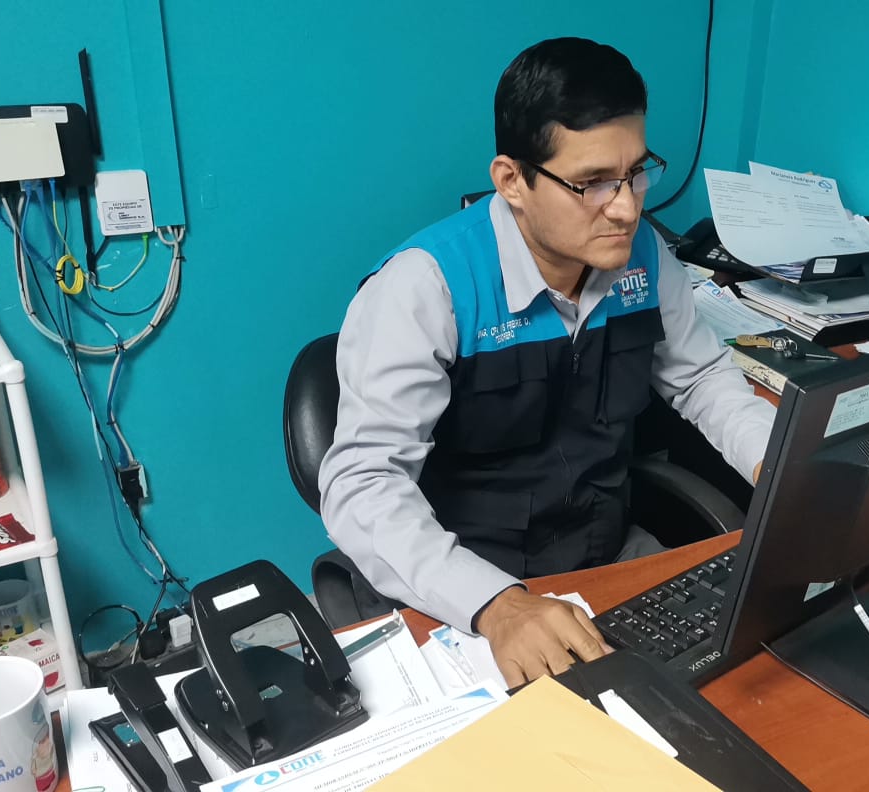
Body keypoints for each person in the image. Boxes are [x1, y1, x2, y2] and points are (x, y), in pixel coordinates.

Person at [319, 37, 775, 687]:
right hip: (468, 589)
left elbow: (702, 377)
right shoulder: (427, 287)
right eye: (592, 183)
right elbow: (363, 482)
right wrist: (496, 605)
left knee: (739, 681)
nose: (627, 207)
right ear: (512, 181)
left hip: (606, 558)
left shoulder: (642, 256)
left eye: (636, 172)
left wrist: (781, 468)